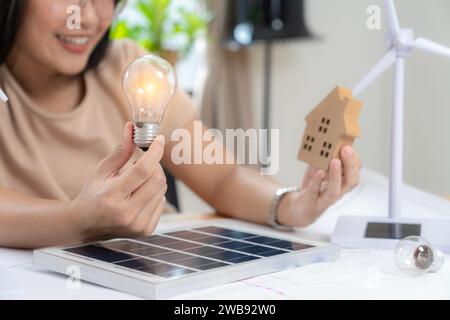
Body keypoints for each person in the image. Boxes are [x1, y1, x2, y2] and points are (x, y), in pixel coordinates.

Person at [0, 0, 361, 249]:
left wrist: (292, 205)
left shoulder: (128, 66)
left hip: (149, 267)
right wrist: (74, 221)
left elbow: (223, 178)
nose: (90, 18)